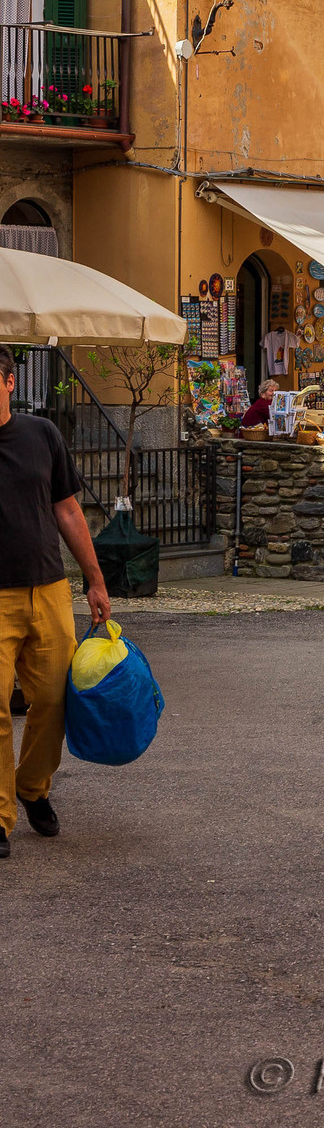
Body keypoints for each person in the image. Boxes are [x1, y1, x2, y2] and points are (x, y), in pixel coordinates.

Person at [0, 343, 112, 857]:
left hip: (46, 589)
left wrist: (94, 579)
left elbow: (67, 510)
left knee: (53, 699)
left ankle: (31, 787)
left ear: (8, 384)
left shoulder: (41, 435)